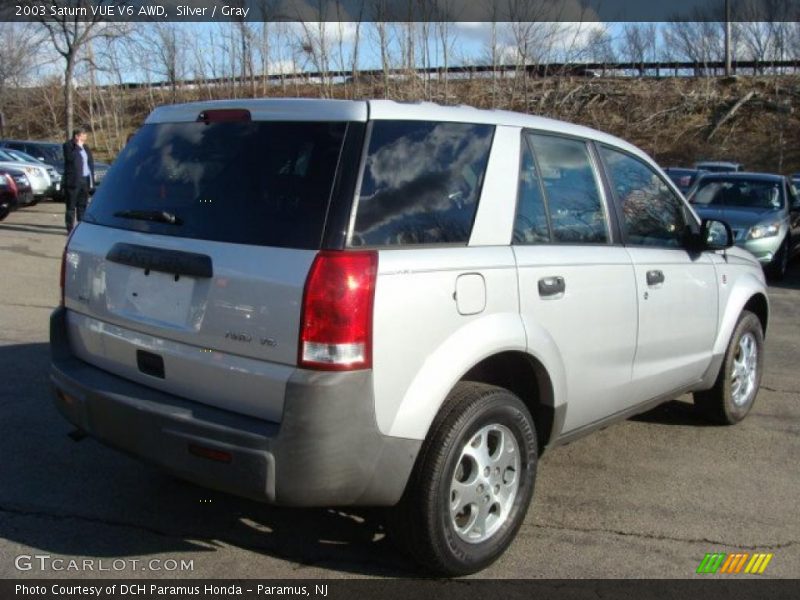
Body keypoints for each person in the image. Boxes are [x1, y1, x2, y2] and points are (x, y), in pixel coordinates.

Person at [63, 126, 94, 233]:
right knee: (71, 206)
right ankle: (70, 228)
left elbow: (90, 163)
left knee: (82, 205)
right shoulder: (68, 146)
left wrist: (91, 180)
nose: (85, 137)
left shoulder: (86, 147)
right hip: (73, 180)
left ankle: (81, 227)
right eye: (83, 135)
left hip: (84, 179)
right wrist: (77, 146)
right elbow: (71, 159)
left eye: (86, 135)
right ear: (77, 136)